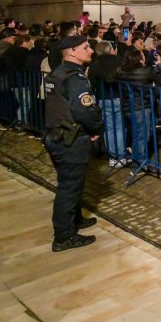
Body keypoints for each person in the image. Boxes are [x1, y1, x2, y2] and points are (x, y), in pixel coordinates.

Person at [42, 35, 104, 251]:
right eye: (86, 47)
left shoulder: (57, 73)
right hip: (71, 139)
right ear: (72, 52)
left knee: (70, 184)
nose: (91, 51)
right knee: (69, 188)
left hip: (57, 135)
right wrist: (96, 129)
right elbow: (83, 110)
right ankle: (63, 236)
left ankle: (75, 220)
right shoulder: (74, 78)